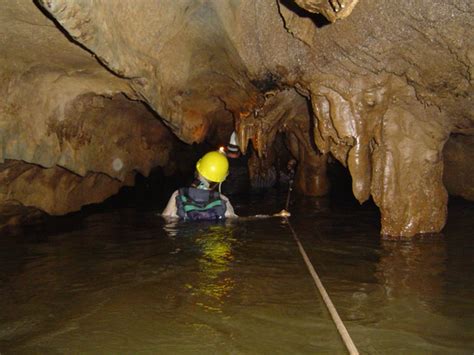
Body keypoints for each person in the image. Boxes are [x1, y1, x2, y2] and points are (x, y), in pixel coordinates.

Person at [161, 151, 237, 220]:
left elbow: (165, 218)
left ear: (197, 170)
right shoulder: (223, 201)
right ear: (220, 180)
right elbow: (232, 220)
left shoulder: (178, 195)